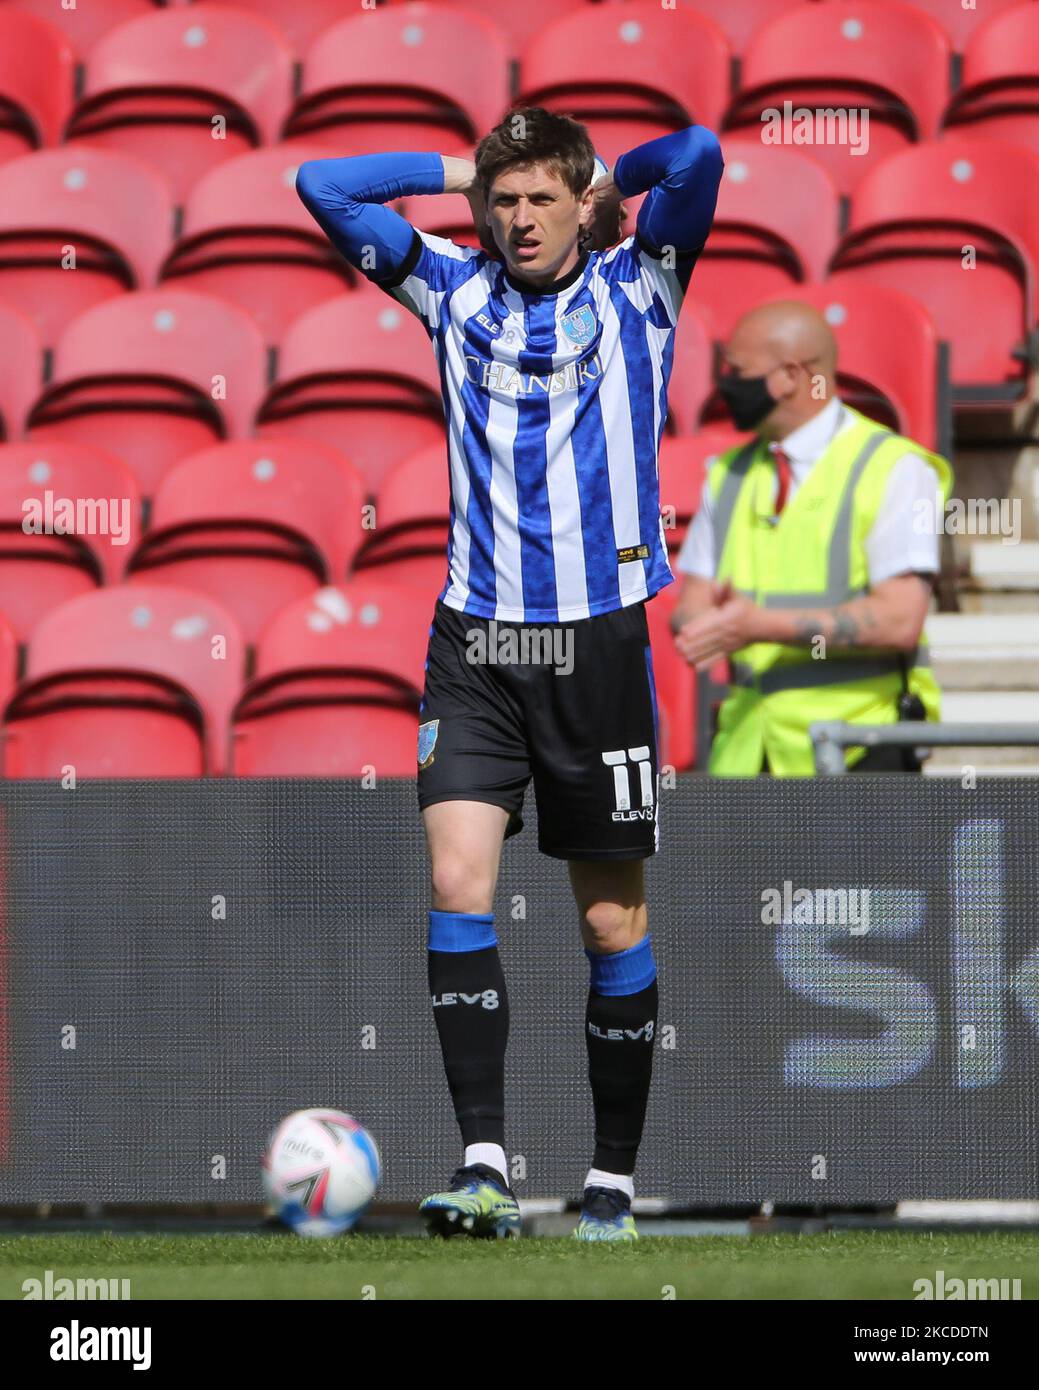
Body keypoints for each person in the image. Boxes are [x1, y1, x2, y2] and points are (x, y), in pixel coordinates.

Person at [296, 108, 722, 1239]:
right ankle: (483, 1161)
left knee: (610, 924)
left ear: (578, 205)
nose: (518, 218)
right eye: (505, 200)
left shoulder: (644, 284)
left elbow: (698, 153)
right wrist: (465, 168)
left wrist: (600, 180)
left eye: (540, 198)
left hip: (595, 645)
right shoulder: (447, 288)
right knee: (455, 883)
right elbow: (323, 183)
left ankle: (612, 1183)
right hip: (478, 642)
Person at [670, 301, 952, 776]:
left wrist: (755, 625)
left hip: (862, 748)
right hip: (747, 753)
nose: (725, 385)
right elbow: (691, 607)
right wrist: (707, 622)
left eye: (738, 371)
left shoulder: (896, 469)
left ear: (790, 377)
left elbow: (900, 619)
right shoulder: (727, 474)